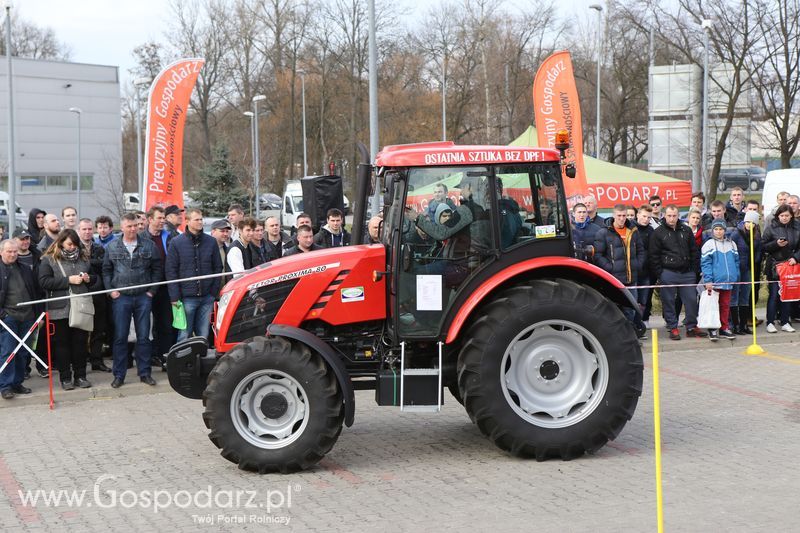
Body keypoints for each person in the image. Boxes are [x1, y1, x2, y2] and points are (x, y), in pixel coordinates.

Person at [102, 212, 162, 388]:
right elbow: (106, 270)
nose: (133, 229)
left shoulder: (149, 246)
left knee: (144, 337)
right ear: (122, 227)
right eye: (129, 226)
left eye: (135, 225)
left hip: (143, 296)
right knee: (120, 337)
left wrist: (151, 291)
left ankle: (145, 373)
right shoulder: (112, 247)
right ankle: (119, 375)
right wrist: (111, 291)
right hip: (122, 298)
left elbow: (157, 269)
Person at [38, 229, 100, 390]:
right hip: (59, 309)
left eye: (75, 244)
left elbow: (95, 279)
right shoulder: (49, 260)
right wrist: (68, 280)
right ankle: (65, 378)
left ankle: (81, 376)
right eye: (69, 244)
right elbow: (44, 282)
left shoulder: (84, 258)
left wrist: (88, 279)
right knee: (62, 345)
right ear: (61, 243)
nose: (73, 247)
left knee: (80, 344)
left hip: (81, 307)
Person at [649, 204, 707, 340]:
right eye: (669, 215)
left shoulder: (686, 230)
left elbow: (694, 251)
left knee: (692, 301)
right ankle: (672, 327)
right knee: (668, 301)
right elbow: (653, 255)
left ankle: (691, 327)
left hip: (687, 273)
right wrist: (660, 274)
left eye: (674, 215)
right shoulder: (658, 233)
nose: (672, 218)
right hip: (668, 272)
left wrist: (694, 271)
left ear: (678, 216)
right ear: (664, 215)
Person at [166, 208, 222, 342]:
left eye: (201, 219)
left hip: (207, 297)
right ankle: (182, 361)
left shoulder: (211, 241)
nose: (200, 222)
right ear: (187, 221)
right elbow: (171, 270)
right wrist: (175, 296)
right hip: (186, 298)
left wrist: (213, 292)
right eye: (196, 219)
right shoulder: (176, 242)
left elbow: (218, 267)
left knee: (203, 334)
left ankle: (200, 360)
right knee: (184, 334)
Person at [593, 204, 646, 336]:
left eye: (624, 216)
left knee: (631, 310)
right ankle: (616, 336)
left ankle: (629, 336)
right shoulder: (603, 232)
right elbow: (598, 255)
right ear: (613, 216)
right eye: (619, 216)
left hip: (631, 278)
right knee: (613, 310)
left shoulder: (633, 231)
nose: (622, 218)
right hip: (613, 279)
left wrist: (637, 265)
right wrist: (610, 268)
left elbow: (640, 250)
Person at [0, 239, 42, 399]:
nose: (12, 254)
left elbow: (36, 292)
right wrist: (3, 315)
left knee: (23, 352)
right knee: (8, 352)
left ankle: (17, 383)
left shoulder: (25, 269)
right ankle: (5, 386)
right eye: (9, 251)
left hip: (28, 317)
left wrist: (38, 316)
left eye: (15, 251)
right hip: (9, 317)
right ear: (1, 252)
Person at [140, 206, 176, 368]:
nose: (163, 221)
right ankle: (150, 356)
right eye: (159, 218)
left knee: (166, 324)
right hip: (147, 288)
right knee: (147, 325)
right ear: (150, 219)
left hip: (166, 287)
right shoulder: (141, 238)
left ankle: (165, 356)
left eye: (164, 218)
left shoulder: (169, 237)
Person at [78, 218, 112, 373]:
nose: (87, 232)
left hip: (98, 293)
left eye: (90, 229)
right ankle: (80, 361)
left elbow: (104, 266)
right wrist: (93, 263)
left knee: (99, 329)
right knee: (82, 330)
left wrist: (90, 264)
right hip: (81, 294)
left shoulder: (99, 247)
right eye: (84, 229)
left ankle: (97, 360)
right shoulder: (74, 248)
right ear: (79, 230)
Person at [761, 204, 800, 333]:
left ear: (791, 216)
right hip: (775, 266)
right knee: (773, 295)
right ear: (778, 216)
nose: (784, 218)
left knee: (787, 295)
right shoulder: (771, 228)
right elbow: (763, 246)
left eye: (787, 215)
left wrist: (796, 257)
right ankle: (770, 322)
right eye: (782, 215)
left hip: (791, 266)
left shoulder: (797, 227)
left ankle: (785, 322)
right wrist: (775, 244)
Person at [700, 219, 740, 341]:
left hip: (728, 281)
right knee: (713, 306)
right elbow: (705, 264)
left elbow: (736, 261)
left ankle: (724, 328)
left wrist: (735, 275)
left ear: (725, 230)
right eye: (716, 229)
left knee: (725, 305)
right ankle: (712, 329)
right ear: (712, 231)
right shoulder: (708, 244)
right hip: (715, 282)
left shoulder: (732, 244)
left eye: (721, 229)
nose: (718, 232)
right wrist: (708, 280)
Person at [730, 210, 762, 335]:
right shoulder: (736, 234)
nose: (749, 224)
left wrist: (756, 259)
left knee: (745, 297)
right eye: (747, 221)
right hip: (737, 269)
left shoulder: (756, 236)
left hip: (748, 269)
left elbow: (759, 250)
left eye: (752, 222)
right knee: (734, 297)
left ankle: (743, 325)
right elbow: (731, 249)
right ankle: (735, 325)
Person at [634, 205, 655, 326]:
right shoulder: (631, 228)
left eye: (648, 217)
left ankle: (642, 321)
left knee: (644, 299)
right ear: (638, 215)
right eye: (644, 216)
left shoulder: (651, 231)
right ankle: (633, 323)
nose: (646, 219)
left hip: (646, 271)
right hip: (633, 271)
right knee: (633, 300)